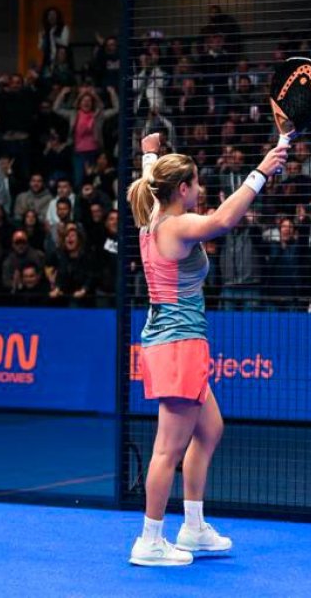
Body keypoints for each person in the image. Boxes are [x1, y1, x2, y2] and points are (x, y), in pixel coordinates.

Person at [125, 131, 287, 566]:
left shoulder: (152, 210)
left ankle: (193, 528)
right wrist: (261, 173)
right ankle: (150, 541)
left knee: (210, 429)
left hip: (175, 341)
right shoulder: (176, 225)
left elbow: (149, 177)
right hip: (177, 345)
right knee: (166, 450)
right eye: (196, 183)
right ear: (182, 189)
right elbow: (222, 222)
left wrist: (149, 153)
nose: (201, 190)